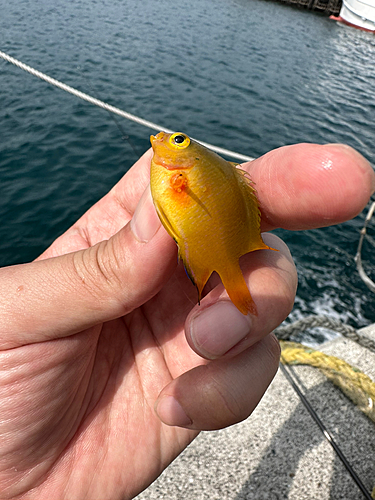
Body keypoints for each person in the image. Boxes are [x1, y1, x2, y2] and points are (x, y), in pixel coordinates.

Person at [0, 142, 373, 499]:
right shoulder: (173, 172)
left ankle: (233, 285)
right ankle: (233, 284)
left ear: (184, 165)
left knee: (248, 298)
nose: (163, 141)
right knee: (243, 302)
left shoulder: (179, 175)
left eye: (177, 141)